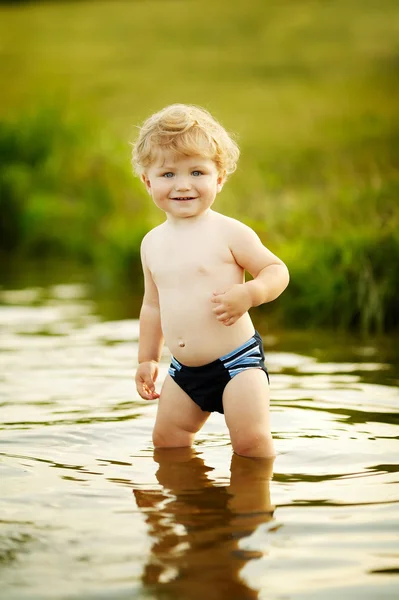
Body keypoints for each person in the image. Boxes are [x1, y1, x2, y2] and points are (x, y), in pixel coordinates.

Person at [132, 104, 289, 458]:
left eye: (197, 172)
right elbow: (152, 305)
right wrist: (147, 358)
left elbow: (277, 270)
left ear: (219, 178)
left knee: (251, 443)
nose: (183, 185)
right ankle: (192, 508)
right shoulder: (151, 243)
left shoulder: (229, 232)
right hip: (183, 370)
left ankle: (252, 509)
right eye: (168, 174)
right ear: (148, 181)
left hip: (238, 363)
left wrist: (251, 292)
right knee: (167, 442)